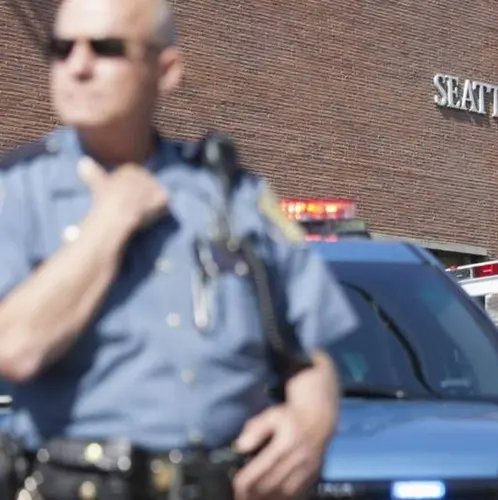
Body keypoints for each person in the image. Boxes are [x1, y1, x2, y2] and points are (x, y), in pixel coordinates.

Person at [0, 0, 358, 498]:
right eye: (61, 49)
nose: (77, 67)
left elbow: (307, 350)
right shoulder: (16, 192)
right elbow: (14, 348)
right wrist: (112, 219)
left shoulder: (233, 194)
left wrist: (314, 419)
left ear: (165, 70)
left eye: (105, 48)